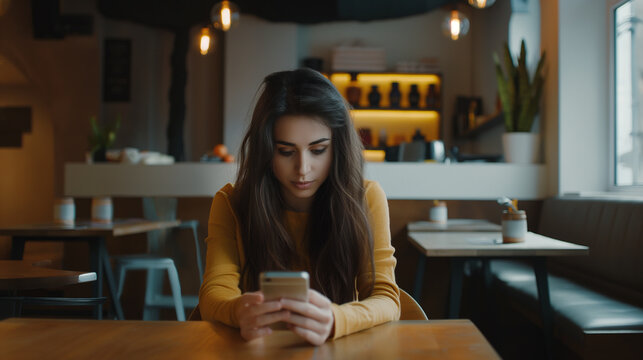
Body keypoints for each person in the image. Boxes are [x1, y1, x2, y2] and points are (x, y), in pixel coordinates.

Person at [198, 68, 400, 345]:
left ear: (338, 147)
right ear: (266, 150)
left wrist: (336, 319)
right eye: (286, 151)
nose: (303, 169)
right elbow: (214, 292)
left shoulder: (366, 198)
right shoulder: (231, 202)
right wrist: (238, 311)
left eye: (318, 150)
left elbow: (386, 298)